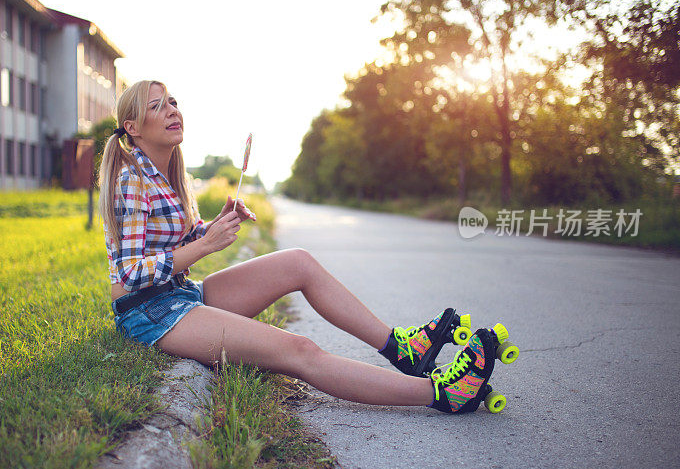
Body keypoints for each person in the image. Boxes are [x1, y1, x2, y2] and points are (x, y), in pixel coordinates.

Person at [98, 80, 515, 415]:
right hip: (148, 313)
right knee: (300, 350)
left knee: (298, 261)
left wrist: (214, 227)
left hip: (181, 295)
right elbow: (132, 274)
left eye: (172, 101)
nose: (172, 109)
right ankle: (441, 393)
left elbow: (170, 244)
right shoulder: (130, 179)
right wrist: (206, 245)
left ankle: (402, 348)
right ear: (132, 127)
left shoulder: (166, 172)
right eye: (157, 106)